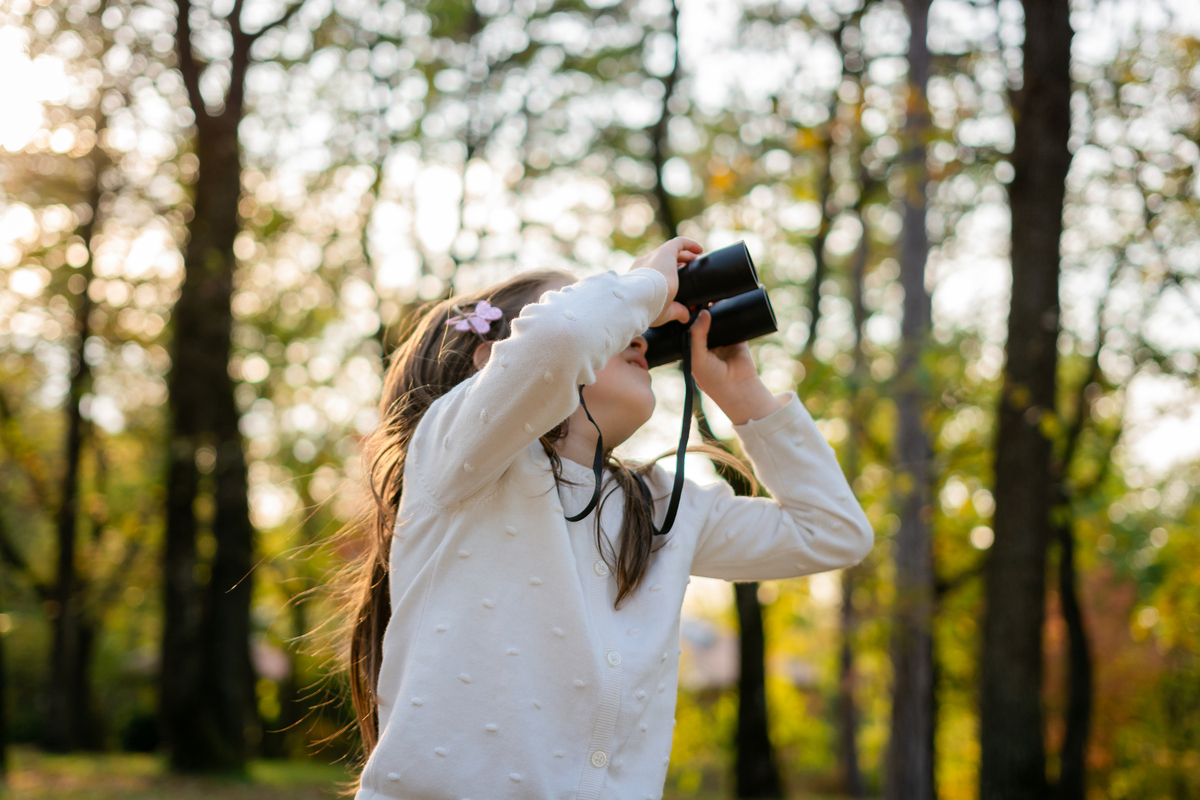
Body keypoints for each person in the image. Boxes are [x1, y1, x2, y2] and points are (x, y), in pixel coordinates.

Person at [342, 237, 874, 800]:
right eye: (613, 324)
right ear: (489, 365)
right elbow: (559, 337)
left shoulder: (661, 508)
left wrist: (743, 395)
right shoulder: (452, 458)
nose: (638, 334)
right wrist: (648, 285)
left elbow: (832, 532)